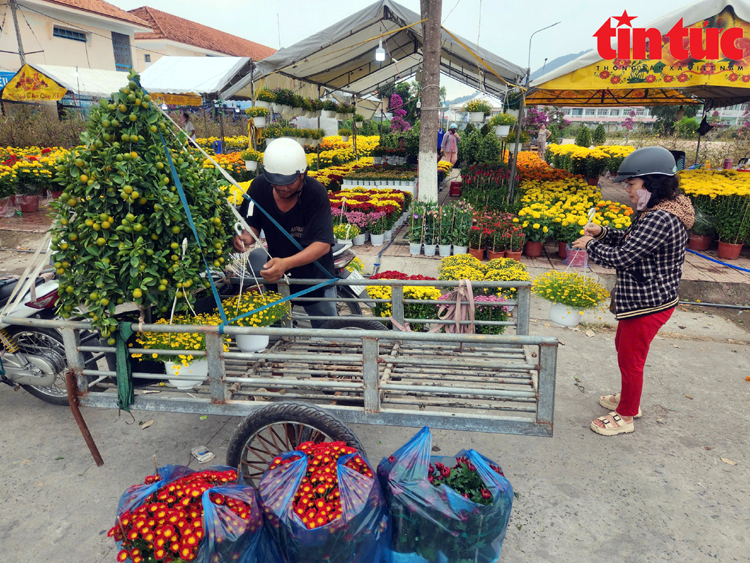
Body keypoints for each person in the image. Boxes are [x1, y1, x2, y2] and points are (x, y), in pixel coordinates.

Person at [572, 146, 694, 436]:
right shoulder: (660, 209)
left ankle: (626, 414)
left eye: (632, 184)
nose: (627, 189)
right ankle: (630, 398)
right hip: (647, 296)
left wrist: (589, 245)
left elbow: (623, 257)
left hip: (648, 301)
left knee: (631, 358)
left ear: (651, 184)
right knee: (625, 351)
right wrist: (602, 233)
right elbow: (632, 243)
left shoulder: (659, 218)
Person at [232, 138, 337, 328]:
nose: (282, 187)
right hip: (276, 277)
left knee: (327, 333)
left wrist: (286, 263)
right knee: (277, 333)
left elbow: (322, 244)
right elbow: (252, 223)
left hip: (314, 278)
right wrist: (246, 238)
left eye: (288, 182)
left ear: (303, 174)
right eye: (275, 182)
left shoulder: (316, 193)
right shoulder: (259, 186)